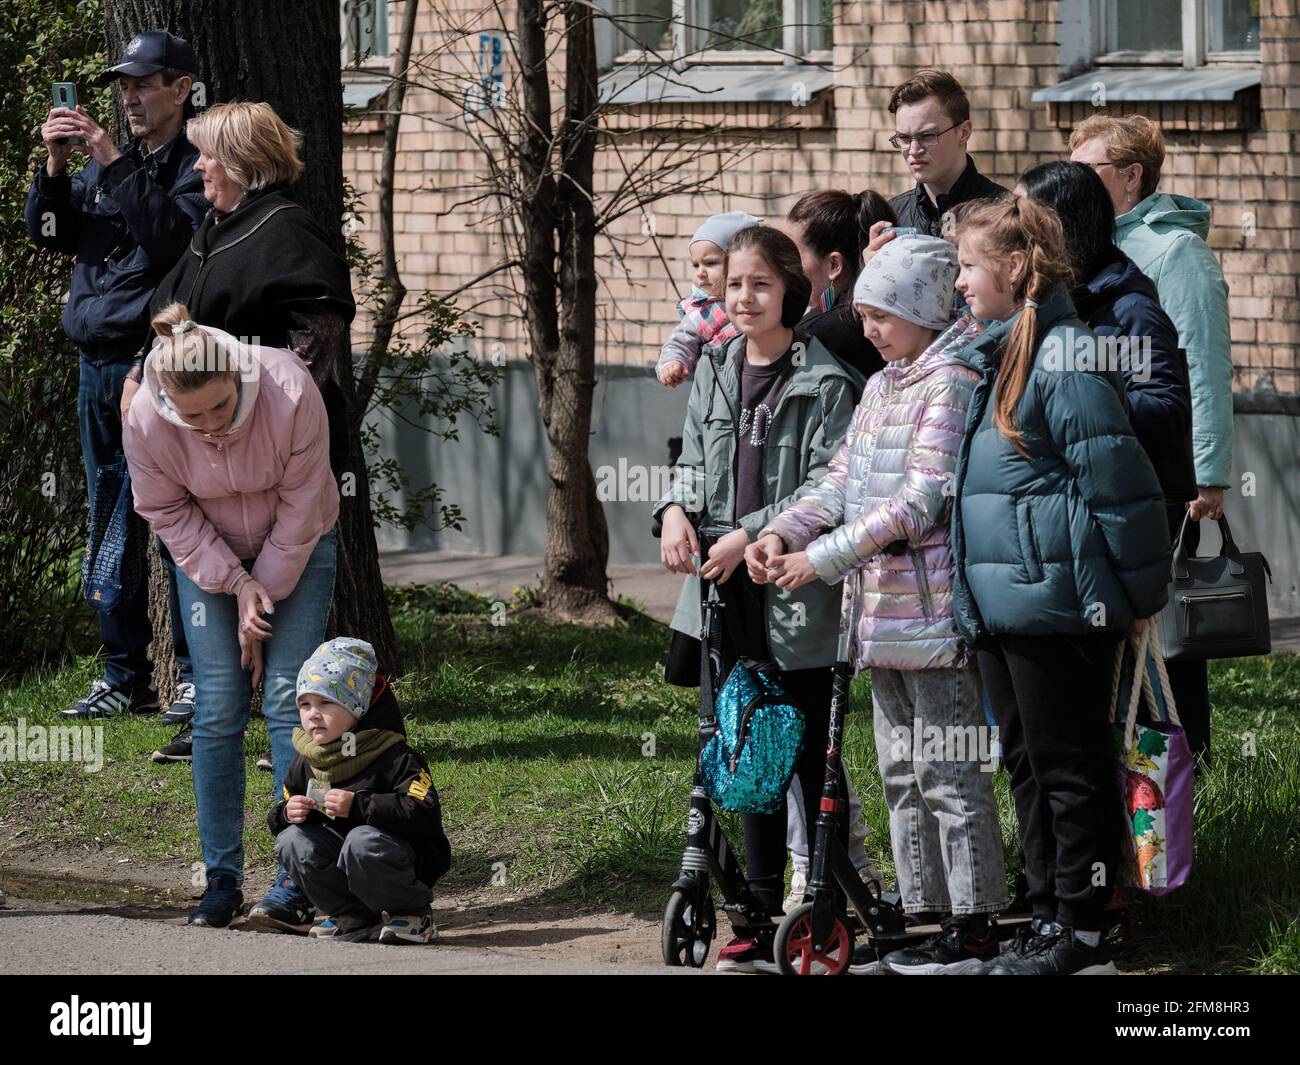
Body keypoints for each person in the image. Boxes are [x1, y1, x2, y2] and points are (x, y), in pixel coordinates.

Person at [752, 235, 1008, 975]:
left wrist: (822, 559)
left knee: (949, 773)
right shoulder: (886, 382)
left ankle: (975, 918)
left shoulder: (950, 380)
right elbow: (838, 482)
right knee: (899, 770)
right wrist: (781, 529)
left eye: (880, 314)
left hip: (932, 618)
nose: (866, 328)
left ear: (922, 308)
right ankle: (922, 910)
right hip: (879, 616)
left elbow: (920, 500)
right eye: (862, 313)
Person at [948, 196, 1171, 975]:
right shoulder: (1001, 352)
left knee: (1070, 769)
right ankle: (1044, 917)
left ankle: (1082, 932)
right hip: (1009, 605)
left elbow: (1120, 483)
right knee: (1031, 767)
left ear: (1017, 269)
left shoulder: (1065, 359)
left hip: (1063, 605)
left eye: (969, 267)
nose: (960, 283)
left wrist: (1142, 595)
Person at [653, 225, 858, 973]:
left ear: (790, 294)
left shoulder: (826, 380)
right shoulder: (713, 365)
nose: (743, 296)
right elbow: (691, 463)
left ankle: (828, 897)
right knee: (744, 743)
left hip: (792, 587)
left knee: (803, 753)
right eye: (734, 283)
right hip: (722, 590)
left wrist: (746, 531)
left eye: (760, 284)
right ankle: (757, 906)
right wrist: (674, 512)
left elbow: (827, 489)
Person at [123, 303, 339, 929]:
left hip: (299, 542)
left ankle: (293, 878)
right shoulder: (144, 419)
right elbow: (165, 512)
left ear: (237, 379)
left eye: (221, 408)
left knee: (284, 697)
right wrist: (236, 584)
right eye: (194, 416)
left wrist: (260, 595)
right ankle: (219, 880)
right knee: (216, 703)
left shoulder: (289, 386)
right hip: (207, 558)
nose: (212, 425)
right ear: (166, 399)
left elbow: (302, 506)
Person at [25, 30, 204, 724]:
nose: (128, 97)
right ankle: (123, 675)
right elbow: (47, 232)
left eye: (142, 83)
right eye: (122, 85)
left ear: (181, 88)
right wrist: (55, 165)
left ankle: (193, 676)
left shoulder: (196, 168)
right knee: (109, 525)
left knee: (177, 524)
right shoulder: (111, 166)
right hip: (94, 373)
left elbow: (171, 243)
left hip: (153, 370)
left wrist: (107, 161)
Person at [1069, 114, 1232, 767]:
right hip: (1111, 468)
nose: (1076, 185)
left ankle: (1182, 772)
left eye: (1089, 172)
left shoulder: (1175, 252)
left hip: (1165, 476)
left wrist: (1207, 471)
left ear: (1130, 176)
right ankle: (1131, 777)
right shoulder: (1098, 249)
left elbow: (1203, 361)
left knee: (1165, 635)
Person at [132, 99, 356, 476]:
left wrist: (252, 422)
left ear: (241, 162)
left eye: (207, 156)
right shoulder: (213, 228)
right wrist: (136, 375)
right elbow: (167, 313)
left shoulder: (287, 231)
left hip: (271, 459)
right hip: (206, 449)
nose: (197, 165)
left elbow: (312, 348)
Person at [1017, 162, 1195, 504]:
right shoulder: (1031, 304)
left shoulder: (1129, 312)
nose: (1009, 229)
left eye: (1021, 218)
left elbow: (1164, 409)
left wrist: (1082, 398)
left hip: (1123, 509)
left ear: (1058, 226)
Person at [269, 638, 450, 944]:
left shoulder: (394, 755)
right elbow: (286, 807)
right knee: (291, 841)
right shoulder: (307, 759)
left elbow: (424, 813)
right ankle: (352, 915)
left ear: (358, 707)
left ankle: (412, 913)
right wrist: (288, 814)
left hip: (405, 856)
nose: (313, 714)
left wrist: (361, 805)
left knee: (361, 840)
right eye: (305, 704)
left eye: (327, 702)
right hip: (347, 855)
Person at [785, 188, 896, 381]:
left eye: (793, 255)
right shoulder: (900, 319)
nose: (785, 267)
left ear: (834, 264)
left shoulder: (814, 335)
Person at [885, 70, 1007, 238]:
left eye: (927, 136)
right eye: (904, 138)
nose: (913, 150)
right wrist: (869, 264)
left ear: (964, 132)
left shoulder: (1006, 214)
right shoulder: (891, 217)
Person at [655, 211, 760, 388]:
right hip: (721, 392)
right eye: (696, 265)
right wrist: (673, 363)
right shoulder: (703, 311)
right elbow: (680, 341)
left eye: (710, 263)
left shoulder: (761, 299)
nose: (700, 273)